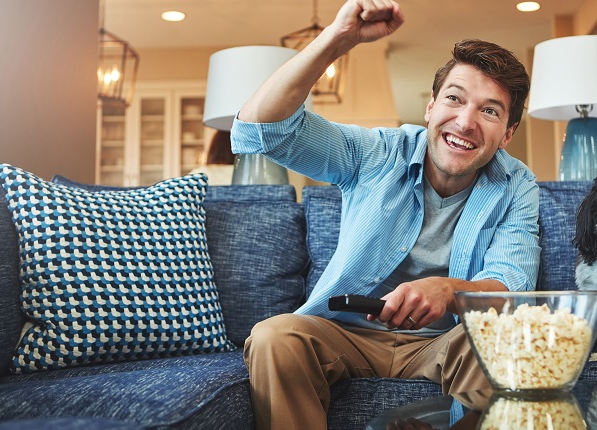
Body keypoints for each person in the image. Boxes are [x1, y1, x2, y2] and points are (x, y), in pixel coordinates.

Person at [231, 0, 540, 428]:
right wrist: (336, 39)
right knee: (274, 336)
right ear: (431, 106)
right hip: (346, 333)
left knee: (495, 336)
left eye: (489, 110)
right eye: (455, 98)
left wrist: (448, 290)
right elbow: (260, 129)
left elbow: (512, 287)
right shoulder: (377, 152)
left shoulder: (516, 184)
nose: (466, 122)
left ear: (507, 133)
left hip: (443, 343)